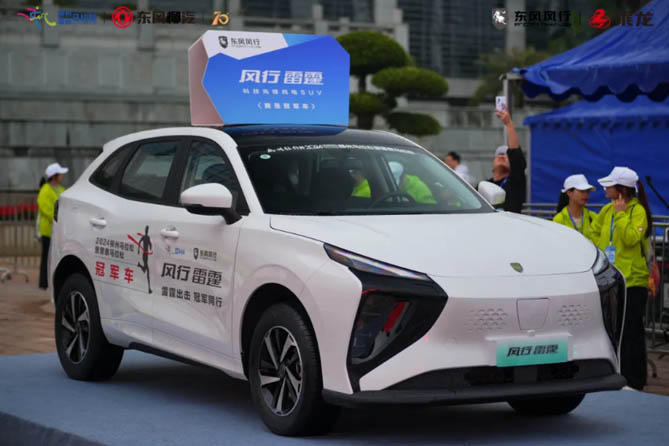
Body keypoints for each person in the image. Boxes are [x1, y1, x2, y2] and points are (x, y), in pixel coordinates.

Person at [591, 166, 651, 390]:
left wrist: (622, 214)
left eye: (609, 184)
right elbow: (594, 232)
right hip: (612, 280)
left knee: (632, 331)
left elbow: (632, 238)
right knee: (615, 331)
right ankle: (620, 374)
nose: (605, 188)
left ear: (621, 189)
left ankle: (635, 379)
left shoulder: (637, 211)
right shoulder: (606, 210)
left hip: (633, 281)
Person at [484, 106, 526, 213]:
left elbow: (516, 155)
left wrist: (508, 123)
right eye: (499, 154)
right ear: (492, 164)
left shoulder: (515, 181)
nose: (502, 156)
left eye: (506, 155)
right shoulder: (483, 185)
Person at [37, 162, 68, 289]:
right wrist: (60, 217)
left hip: (59, 230)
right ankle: (44, 283)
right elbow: (47, 210)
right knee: (47, 258)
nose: (62, 176)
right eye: (60, 174)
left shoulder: (61, 189)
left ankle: (53, 283)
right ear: (54, 176)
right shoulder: (45, 190)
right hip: (48, 230)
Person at [552, 174, 598, 243]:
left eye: (588, 191)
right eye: (582, 191)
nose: (586, 194)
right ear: (569, 192)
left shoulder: (593, 217)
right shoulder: (559, 219)